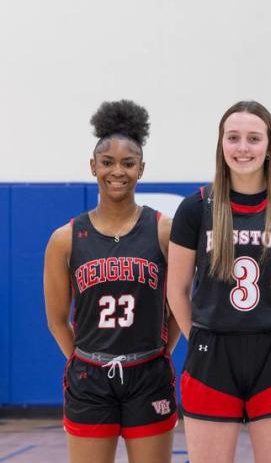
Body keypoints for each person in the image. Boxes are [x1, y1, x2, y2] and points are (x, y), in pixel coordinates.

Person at [166, 100, 271, 463]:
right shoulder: (196, 208)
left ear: (270, 147)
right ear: (221, 144)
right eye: (233, 138)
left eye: (254, 138)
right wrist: (201, 335)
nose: (243, 148)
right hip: (212, 355)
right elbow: (176, 290)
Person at [43, 100, 178, 463]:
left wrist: (165, 351)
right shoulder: (65, 239)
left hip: (149, 372)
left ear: (141, 169)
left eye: (128, 163)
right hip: (90, 377)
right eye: (107, 162)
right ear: (93, 167)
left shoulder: (163, 230)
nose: (117, 171)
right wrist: (81, 360)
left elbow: (182, 304)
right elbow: (56, 319)